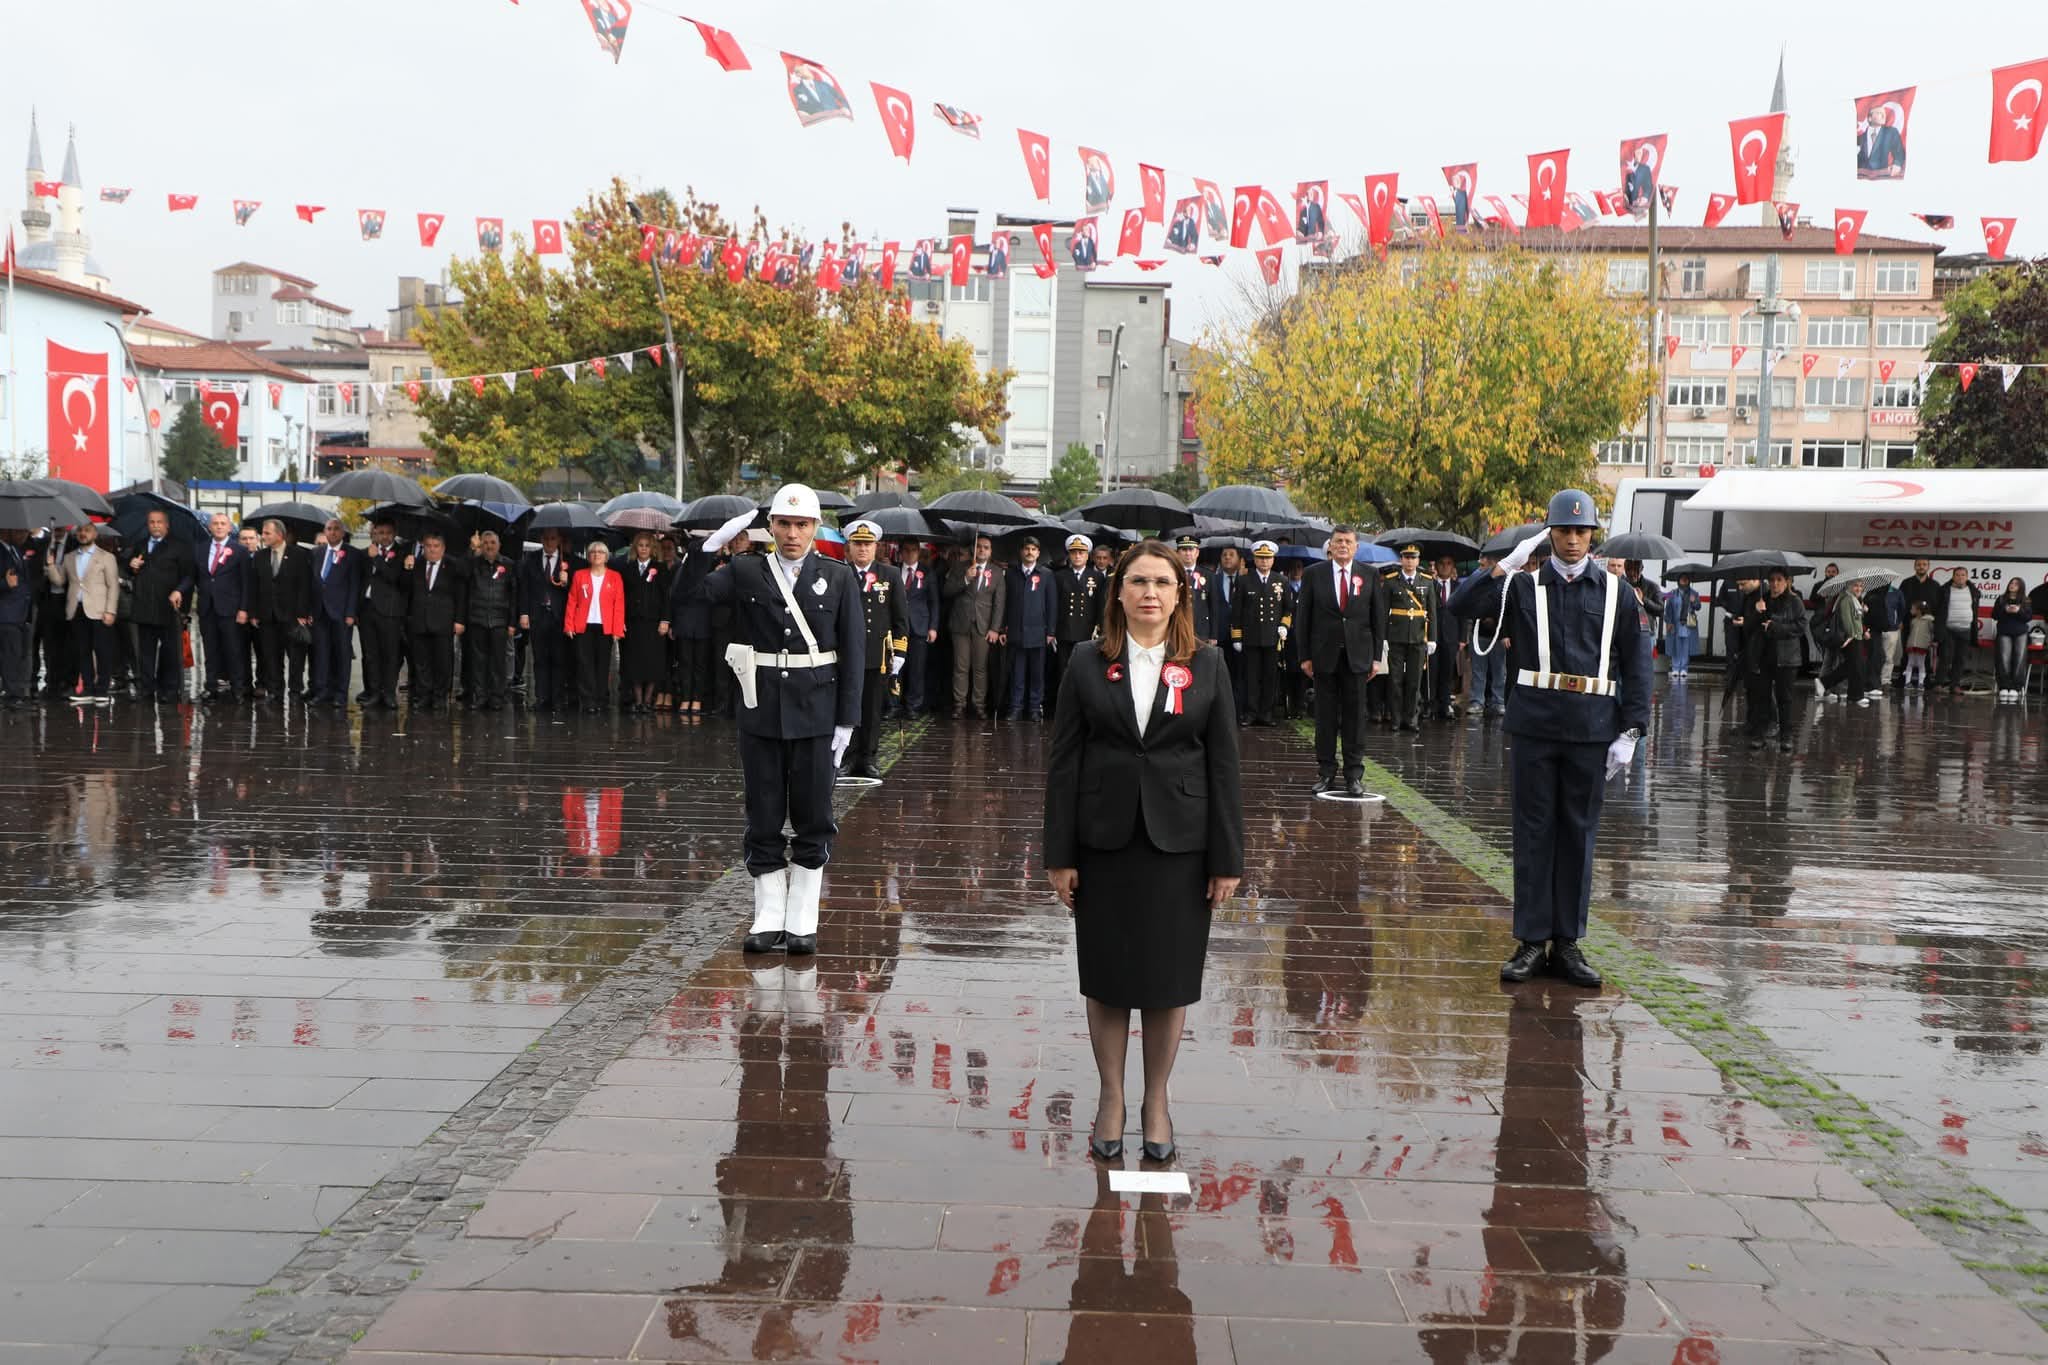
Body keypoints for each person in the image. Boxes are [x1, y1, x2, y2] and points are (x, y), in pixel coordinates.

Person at [1043, 538, 1242, 1163]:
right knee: (1106, 979)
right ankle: (1111, 1098)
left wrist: (1226, 859)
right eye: (1137, 582)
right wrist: (1059, 853)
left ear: (1180, 593)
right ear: (1119, 592)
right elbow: (1064, 762)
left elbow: (1224, 768)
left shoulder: (1207, 664)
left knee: (1166, 981)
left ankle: (1156, 1101)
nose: (1149, 593)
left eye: (1161, 582)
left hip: (1179, 844)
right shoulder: (1084, 661)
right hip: (1103, 841)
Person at [1447, 489, 1651, 990]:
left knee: (1578, 835)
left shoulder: (1618, 592)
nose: (1574, 539)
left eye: (1582, 531)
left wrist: (1632, 729)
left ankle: (1568, 942)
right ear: (1550, 534)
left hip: (1590, 727)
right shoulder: (1521, 587)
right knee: (1533, 832)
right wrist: (1502, 567)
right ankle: (1531, 940)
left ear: (1592, 536)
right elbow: (1459, 605)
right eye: (1564, 530)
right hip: (1536, 724)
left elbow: (1638, 662)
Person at [696, 485, 864, 956]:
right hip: (761, 709)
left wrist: (847, 720)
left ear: (815, 528)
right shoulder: (747, 571)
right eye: (785, 524)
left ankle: (802, 917)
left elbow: (852, 652)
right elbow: (692, 597)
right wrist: (706, 548)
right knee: (763, 813)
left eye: (802, 525)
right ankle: (769, 915)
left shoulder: (838, 576)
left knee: (814, 815)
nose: (793, 534)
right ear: (771, 527)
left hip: (817, 714)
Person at [1294, 526, 1385, 797]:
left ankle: (1354, 774)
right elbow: (1303, 618)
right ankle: (1326, 772)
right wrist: (1304, 656)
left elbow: (1377, 618)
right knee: (1325, 718)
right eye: (1338, 542)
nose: (1343, 546)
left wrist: (1377, 657)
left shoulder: (1369, 574)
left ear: (1356, 547)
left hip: (1358, 657)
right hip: (1323, 657)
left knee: (1355, 718)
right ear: (1330, 547)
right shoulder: (1314, 574)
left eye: (1348, 541)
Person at [842, 521, 907, 776]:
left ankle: (868, 757)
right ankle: (848, 756)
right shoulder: (841, 573)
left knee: (871, 708)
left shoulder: (889, 575)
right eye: (857, 544)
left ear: (876, 547)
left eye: (867, 544)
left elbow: (901, 617)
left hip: (878, 654)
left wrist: (899, 653)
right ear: (849, 546)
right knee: (849, 706)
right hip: (847, 653)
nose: (862, 549)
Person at [45, 521, 121, 705]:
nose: (83, 534)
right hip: (76, 609)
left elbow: (113, 586)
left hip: (99, 610)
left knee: (102, 651)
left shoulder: (106, 557)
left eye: (87, 530)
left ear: (95, 534)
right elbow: (60, 581)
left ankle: (102, 688)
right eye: (80, 531)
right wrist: (51, 566)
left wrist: (110, 610)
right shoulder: (70, 557)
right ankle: (87, 687)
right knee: (82, 651)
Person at [126, 509, 194, 704]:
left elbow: (189, 575)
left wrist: (179, 590)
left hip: (169, 608)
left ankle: (169, 690)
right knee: (145, 653)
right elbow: (128, 570)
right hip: (144, 607)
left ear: (167, 525)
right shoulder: (140, 546)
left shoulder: (179, 547)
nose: (155, 525)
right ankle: (146, 690)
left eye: (159, 522)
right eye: (151, 522)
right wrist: (132, 566)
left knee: (170, 652)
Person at [247, 519, 314, 706]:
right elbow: (254, 586)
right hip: (267, 617)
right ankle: (275, 692)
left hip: (292, 616)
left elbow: (304, 586)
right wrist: (254, 613)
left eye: (267, 533)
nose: (263, 536)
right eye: (263, 532)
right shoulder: (259, 556)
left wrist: (302, 612)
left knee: (296, 658)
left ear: (280, 535)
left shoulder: (299, 555)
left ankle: (295, 692)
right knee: (271, 656)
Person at [942, 534, 1005, 720]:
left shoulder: (997, 572)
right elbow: (946, 591)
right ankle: (959, 705)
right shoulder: (960, 567)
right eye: (979, 547)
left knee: (980, 668)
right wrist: (965, 579)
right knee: (960, 667)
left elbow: (999, 603)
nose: (982, 550)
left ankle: (979, 705)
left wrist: (995, 628)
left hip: (984, 626)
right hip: (960, 623)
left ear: (991, 551)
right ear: (973, 550)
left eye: (986, 547)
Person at [1745, 567, 1808, 751]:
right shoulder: (1762, 600)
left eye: (1779, 580)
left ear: (1787, 581)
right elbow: (1748, 627)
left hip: (1787, 658)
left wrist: (1777, 627)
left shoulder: (1795, 601)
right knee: (1761, 697)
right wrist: (1757, 613)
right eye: (1772, 580)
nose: (1775, 584)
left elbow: (1801, 626)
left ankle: (1786, 736)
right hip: (1764, 656)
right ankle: (1759, 735)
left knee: (1784, 698)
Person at [405, 533, 467, 712]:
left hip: (443, 621)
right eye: (428, 545)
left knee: (443, 661)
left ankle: (440, 697)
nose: (431, 549)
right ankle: (424, 695)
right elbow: (405, 589)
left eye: (435, 545)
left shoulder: (453, 566)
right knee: (421, 661)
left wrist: (459, 620)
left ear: (443, 548)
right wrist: (407, 570)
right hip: (419, 620)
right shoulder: (415, 564)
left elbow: (460, 595)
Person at [518, 528, 576, 714]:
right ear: (542, 540)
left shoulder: (568, 561)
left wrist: (567, 582)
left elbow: (576, 594)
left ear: (559, 540)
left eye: (553, 539)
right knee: (540, 659)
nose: (550, 542)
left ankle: (558, 699)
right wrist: (524, 613)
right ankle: (542, 697)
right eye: (547, 539)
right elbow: (524, 588)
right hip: (538, 615)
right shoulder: (531, 560)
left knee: (559, 659)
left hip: (559, 617)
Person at [1233, 541, 1290, 726]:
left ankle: (1266, 713)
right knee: (1251, 677)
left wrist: (1284, 625)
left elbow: (1288, 609)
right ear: (1255, 559)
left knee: (1270, 677)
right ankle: (1250, 712)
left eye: (1268, 558)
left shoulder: (1281, 581)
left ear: (1273, 560)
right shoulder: (1243, 580)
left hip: (1272, 639)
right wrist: (1237, 636)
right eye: (1260, 558)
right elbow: (1237, 611)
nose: (1264, 562)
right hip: (1251, 637)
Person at [303, 519, 359, 708]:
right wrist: (309, 610)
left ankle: (340, 694)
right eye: (329, 529)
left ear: (342, 533)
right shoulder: (316, 553)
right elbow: (311, 584)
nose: (333, 532)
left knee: (342, 654)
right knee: (321, 653)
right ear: (324, 532)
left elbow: (354, 585)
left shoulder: (351, 554)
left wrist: (351, 612)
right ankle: (322, 691)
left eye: (336, 529)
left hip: (341, 613)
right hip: (319, 612)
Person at [194, 514, 249, 703]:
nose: (218, 527)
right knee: (210, 651)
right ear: (210, 527)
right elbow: (194, 577)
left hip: (230, 610)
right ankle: (210, 687)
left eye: (222, 524)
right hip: (207, 608)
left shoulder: (239, 551)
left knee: (233, 650)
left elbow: (245, 583)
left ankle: (238, 689)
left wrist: (243, 609)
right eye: (215, 524)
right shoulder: (200, 549)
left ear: (229, 528)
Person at [1380, 543, 1435, 732]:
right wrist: (1383, 638)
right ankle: (1395, 719)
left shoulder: (1427, 581)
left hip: (1419, 637)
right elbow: (1382, 611)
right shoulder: (1390, 581)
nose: (1410, 561)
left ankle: (1411, 719)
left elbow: (1432, 612)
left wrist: (1433, 638)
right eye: (1406, 557)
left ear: (1418, 560)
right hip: (1396, 636)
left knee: (1414, 681)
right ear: (1401, 559)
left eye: (1413, 558)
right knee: (1395, 681)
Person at [564, 539, 623, 714]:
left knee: (603, 664)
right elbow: (572, 600)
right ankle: (588, 700)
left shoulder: (615, 577)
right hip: (584, 625)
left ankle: (601, 699)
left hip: (605, 626)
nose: (596, 555)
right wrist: (569, 625)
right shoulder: (579, 575)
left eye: (600, 552)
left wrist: (617, 629)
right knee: (585, 664)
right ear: (589, 557)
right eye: (593, 552)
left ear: (606, 557)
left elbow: (619, 604)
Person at [357, 519, 410, 710]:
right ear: (374, 533)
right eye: (380, 532)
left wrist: (377, 559)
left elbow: (394, 577)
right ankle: (373, 692)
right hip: (367, 610)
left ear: (394, 533)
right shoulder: (365, 553)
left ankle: (388, 693)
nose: (384, 536)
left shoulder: (403, 553)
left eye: (388, 532)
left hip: (390, 611)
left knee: (390, 654)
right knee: (371, 654)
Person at [1047, 534, 1103, 716]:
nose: (1077, 556)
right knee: (1064, 670)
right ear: (1069, 556)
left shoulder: (1096, 577)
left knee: (1086, 670)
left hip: (1087, 632)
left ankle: (1084, 706)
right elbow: (1054, 604)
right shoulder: (1059, 576)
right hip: (1065, 631)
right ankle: (1065, 707)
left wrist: (1098, 627)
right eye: (1074, 553)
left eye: (1081, 553)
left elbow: (1099, 605)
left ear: (1088, 555)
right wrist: (1052, 630)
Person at [1003, 535, 1056, 721]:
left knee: (1037, 673)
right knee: (1017, 671)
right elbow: (1005, 603)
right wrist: (1003, 627)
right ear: (1021, 551)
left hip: (1038, 631)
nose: (1030, 552)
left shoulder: (1046, 575)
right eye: (1026, 548)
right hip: (1016, 631)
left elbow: (1052, 604)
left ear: (1038, 553)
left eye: (1033, 549)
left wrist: (1051, 631)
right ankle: (1016, 707)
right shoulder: (1011, 574)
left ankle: (1034, 707)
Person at [464, 530, 517, 710]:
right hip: (477, 618)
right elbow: (462, 575)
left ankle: (496, 697)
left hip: (499, 620)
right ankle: (479, 696)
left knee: (498, 661)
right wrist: (472, 551)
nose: (489, 546)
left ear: (499, 545)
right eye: (485, 543)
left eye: (493, 543)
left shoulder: (508, 565)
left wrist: (512, 622)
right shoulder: (473, 563)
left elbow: (514, 594)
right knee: (478, 661)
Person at [617, 533, 669, 714]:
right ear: (635, 548)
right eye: (640, 545)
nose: (644, 548)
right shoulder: (628, 568)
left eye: (647, 545)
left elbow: (666, 597)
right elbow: (621, 596)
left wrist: (665, 620)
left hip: (654, 623)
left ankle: (648, 700)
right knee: (635, 662)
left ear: (652, 548)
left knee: (652, 662)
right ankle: (638, 700)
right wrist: (620, 620)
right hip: (633, 623)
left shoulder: (660, 568)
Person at [894, 540, 942, 718]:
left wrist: (933, 627)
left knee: (917, 669)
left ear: (918, 552)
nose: (910, 554)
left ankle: (914, 705)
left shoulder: (927, 572)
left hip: (920, 626)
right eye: (906, 550)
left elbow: (934, 602)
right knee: (895, 667)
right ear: (901, 552)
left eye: (913, 551)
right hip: (898, 626)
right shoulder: (893, 569)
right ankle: (893, 704)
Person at [1465, 552, 1508, 717]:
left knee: (1499, 670)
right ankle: (1477, 701)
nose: (1481, 563)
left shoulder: (1505, 582)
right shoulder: (1477, 582)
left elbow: (1508, 608)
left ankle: (1498, 701)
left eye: (1485, 560)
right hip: (1479, 632)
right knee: (1478, 670)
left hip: (1498, 634)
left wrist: (1499, 625)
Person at [1817, 580, 1870, 706]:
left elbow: (1855, 619)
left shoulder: (1854, 600)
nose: (1859, 588)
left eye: (1861, 586)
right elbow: (1846, 620)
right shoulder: (1846, 599)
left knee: (1851, 666)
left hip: (1856, 637)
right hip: (1851, 638)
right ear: (1849, 586)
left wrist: (1863, 612)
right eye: (1856, 585)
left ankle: (1825, 683)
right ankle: (1856, 696)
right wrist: (1852, 635)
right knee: (1856, 666)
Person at [1208, 546, 1245, 721]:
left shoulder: (1245, 579)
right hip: (1219, 635)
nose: (1227, 558)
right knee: (1219, 675)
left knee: (1240, 675)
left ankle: (1237, 711)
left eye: (1231, 555)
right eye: (1224, 555)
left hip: (1241, 636)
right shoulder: (1212, 579)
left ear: (1239, 559)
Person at [0, 529, 35, 707]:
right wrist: (5, 584)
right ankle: (11, 694)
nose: (24, 535)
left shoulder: (16, 550)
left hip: (21, 612)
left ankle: (16, 692)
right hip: (6, 613)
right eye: (20, 531)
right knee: (10, 655)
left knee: (18, 653)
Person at [1934, 567, 1980, 694]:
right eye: (1958, 575)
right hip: (1948, 629)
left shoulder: (1974, 591)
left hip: (1965, 630)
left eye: (1963, 575)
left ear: (1967, 577)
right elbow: (1937, 610)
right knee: (1945, 657)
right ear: (1953, 576)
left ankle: (1955, 685)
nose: (1960, 577)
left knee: (1960, 659)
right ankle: (1939, 683)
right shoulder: (1944, 590)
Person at [1427, 552, 1462, 719]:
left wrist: (1463, 638)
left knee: (1448, 671)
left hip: (1451, 634)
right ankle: (1430, 704)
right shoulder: (1429, 585)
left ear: (1453, 566)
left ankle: (1446, 703)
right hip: (1432, 635)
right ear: (1436, 565)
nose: (1445, 566)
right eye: (1441, 563)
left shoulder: (1458, 587)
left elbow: (1464, 612)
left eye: (1449, 563)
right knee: (1432, 671)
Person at [1992, 577, 2032, 701]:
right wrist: (2005, 610)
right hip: (2004, 631)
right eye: (2011, 583)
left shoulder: (2026, 600)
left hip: (2020, 633)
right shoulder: (2001, 599)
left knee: (2019, 659)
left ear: (2021, 587)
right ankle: (2004, 685)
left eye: (2016, 584)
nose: (2013, 585)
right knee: (2004, 659)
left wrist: (2019, 610)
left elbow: (2028, 617)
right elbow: (1994, 615)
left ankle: (2016, 687)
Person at [1718, 575, 1757, 698]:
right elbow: (1720, 599)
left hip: (1746, 620)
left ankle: (1743, 676)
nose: (1740, 587)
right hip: (1731, 621)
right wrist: (1729, 609)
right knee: (1731, 649)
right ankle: (1730, 676)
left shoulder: (1751, 585)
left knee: (1745, 649)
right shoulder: (1727, 582)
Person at [1662, 573, 1701, 680]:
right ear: (1678, 581)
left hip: (1688, 624)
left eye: (1686, 580)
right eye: (1682, 580)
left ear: (1689, 581)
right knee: (1676, 646)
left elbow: (1698, 607)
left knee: (1686, 646)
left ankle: (1684, 668)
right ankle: (1675, 667)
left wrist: (1694, 601)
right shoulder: (1672, 593)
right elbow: (1668, 609)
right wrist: (1668, 622)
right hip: (1675, 623)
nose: (1684, 582)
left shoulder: (1694, 593)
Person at [1857, 104, 1906, 179]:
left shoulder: (1891, 132)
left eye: (1884, 114)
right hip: (1862, 177)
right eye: (1879, 113)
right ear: (1870, 118)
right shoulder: (1861, 137)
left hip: (1882, 176)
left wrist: (1897, 164)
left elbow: (1899, 153)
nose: (1884, 116)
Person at [1902, 601, 1935, 690]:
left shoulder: (1929, 621)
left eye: (1913, 609)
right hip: (1912, 644)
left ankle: (1921, 683)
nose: (1911, 610)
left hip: (1922, 645)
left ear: (1919, 611)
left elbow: (1932, 632)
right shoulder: (1913, 621)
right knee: (1910, 663)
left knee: (1921, 664)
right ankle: (1907, 682)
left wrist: (1931, 641)